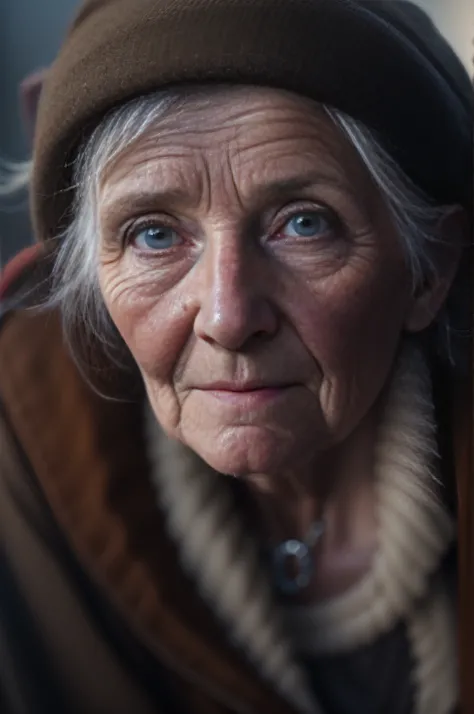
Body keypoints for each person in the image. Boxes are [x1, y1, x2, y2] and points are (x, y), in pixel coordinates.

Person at [0, 1, 472, 713]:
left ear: (429, 271)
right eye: (154, 235)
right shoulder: (20, 466)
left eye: (303, 224)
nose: (227, 317)